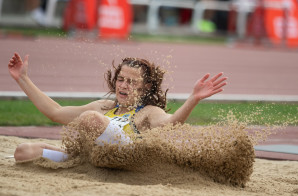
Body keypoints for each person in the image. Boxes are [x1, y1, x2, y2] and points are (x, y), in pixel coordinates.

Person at [8, 52, 227, 162]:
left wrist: (194, 98)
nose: (123, 86)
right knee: (23, 152)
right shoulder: (103, 107)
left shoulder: (149, 112)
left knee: (90, 119)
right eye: (121, 79)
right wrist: (23, 79)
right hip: (88, 161)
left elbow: (172, 124)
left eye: (131, 82)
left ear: (145, 87)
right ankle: (78, 160)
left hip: (125, 161)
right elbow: (55, 112)